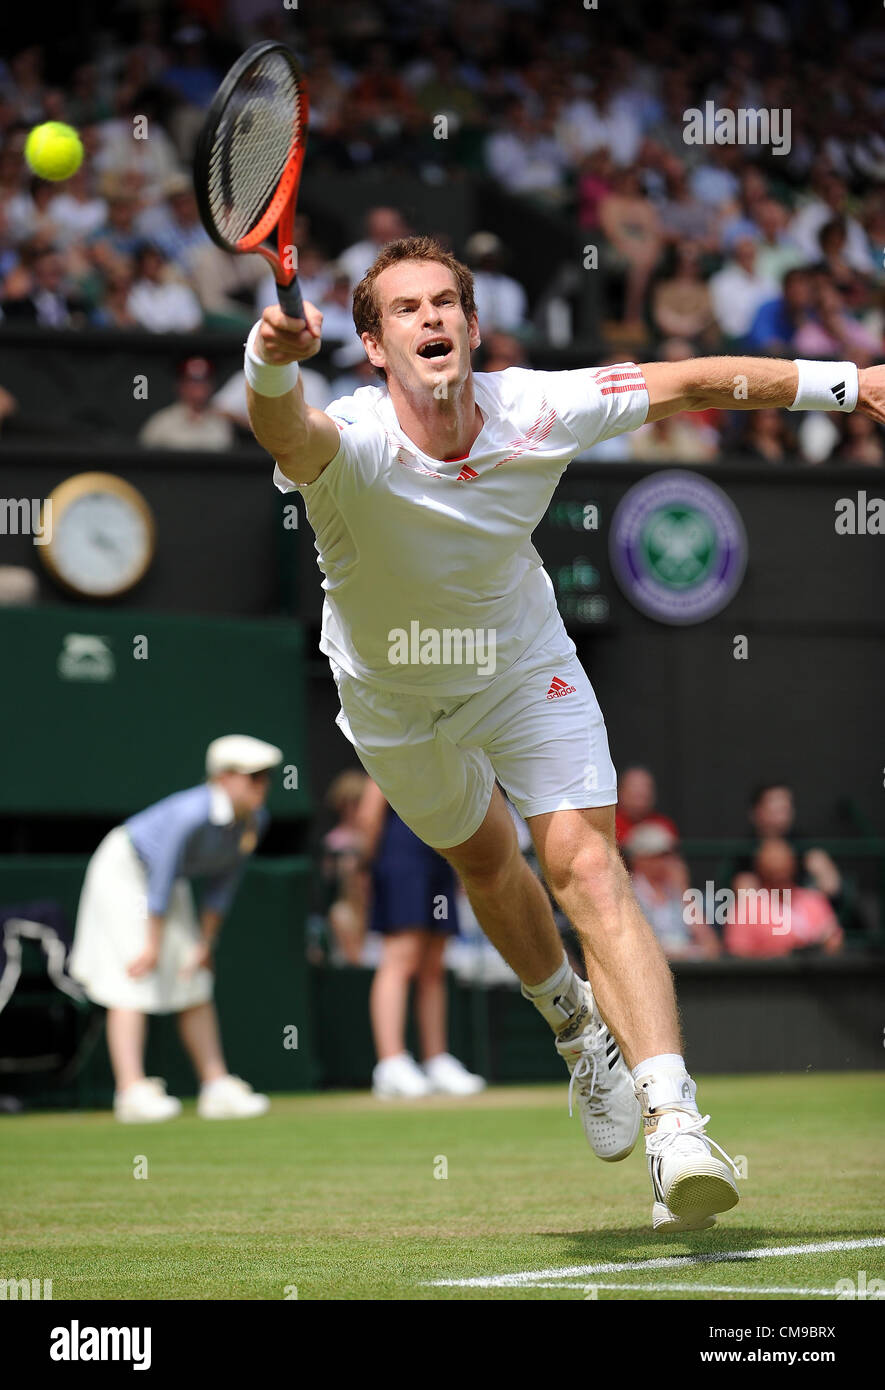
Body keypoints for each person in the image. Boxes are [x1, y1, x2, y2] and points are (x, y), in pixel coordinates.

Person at [243, 232, 885, 1232]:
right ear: (372, 346)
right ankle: (575, 1028)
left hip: (520, 664)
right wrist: (267, 361)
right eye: (406, 308)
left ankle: (675, 1125)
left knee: (585, 866)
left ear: (473, 325)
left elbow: (689, 382)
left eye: (444, 303)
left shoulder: (539, 405)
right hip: (391, 696)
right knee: (487, 864)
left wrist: (851, 383)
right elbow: (287, 435)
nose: (430, 318)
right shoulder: (355, 439)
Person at [69, 735, 282, 1122]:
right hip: (125, 871)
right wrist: (152, 945)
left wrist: (205, 943)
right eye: (253, 777)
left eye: (265, 777)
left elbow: (223, 886)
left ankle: (215, 1086)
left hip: (167, 884)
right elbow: (161, 877)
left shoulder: (257, 820)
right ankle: (130, 1091)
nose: (262, 786)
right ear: (224, 778)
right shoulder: (190, 815)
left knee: (194, 972)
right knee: (135, 971)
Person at [355, 779, 485, 1097]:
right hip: (401, 858)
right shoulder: (388, 750)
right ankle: (390, 1063)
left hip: (440, 857)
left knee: (433, 966)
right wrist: (365, 868)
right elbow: (368, 815)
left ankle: (436, 1060)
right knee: (400, 960)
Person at [725, 840, 844, 959]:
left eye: (784, 869)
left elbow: (834, 940)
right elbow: (738, 954)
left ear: (793, 866)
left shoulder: (814, 900)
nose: (780, 875)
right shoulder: (746, 908)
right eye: (773, 871)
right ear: (760, 870)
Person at [623, 823, 720, 961]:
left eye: (666, 856)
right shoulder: (628, 892)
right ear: (637, 859)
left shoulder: (680, 890)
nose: (662, 862)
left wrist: (683, 890)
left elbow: (711, 944)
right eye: (655, 856)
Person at [139, 357, 233, 451]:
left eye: (203, 382)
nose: (198, 387)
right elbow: (143, 454)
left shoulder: (221, 423)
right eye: (192, 382)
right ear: (180, 385)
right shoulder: (162, 422)